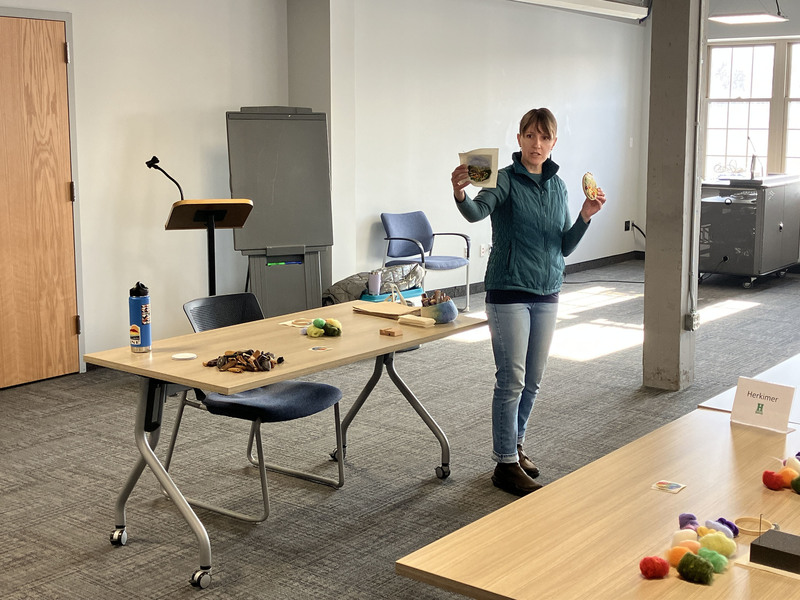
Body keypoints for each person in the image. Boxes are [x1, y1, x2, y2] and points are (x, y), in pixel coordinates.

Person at [451, 108, 606, 496]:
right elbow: (475, 212)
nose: (537, 144)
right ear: (519, 139)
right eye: (530, 136)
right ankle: (504, 464)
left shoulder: (558, 187)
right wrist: (459, 192)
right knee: (512, 380)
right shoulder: (502, 180)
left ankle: (515, 447)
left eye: (545, 138)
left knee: (532, 382)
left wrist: (586, 217)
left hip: (548, 290)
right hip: (508, 292)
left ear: (554, 143)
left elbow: (564, 246)